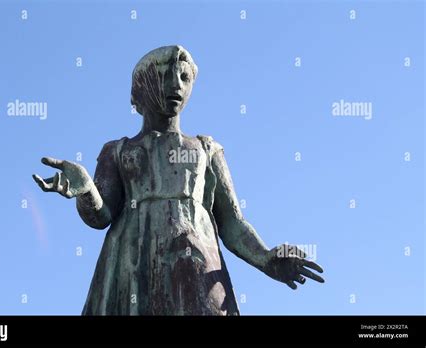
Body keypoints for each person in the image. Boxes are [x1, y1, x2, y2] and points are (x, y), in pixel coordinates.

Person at [32, 45, 324, 315]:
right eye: (164, 77)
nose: (176, 86)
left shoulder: (206, 150)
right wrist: (85, 189)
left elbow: (232, 222)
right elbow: (101, 216)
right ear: (139, 91)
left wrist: (266, 258)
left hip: (195, 259)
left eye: (184, 78)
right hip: (132, 264)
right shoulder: (118, 151)